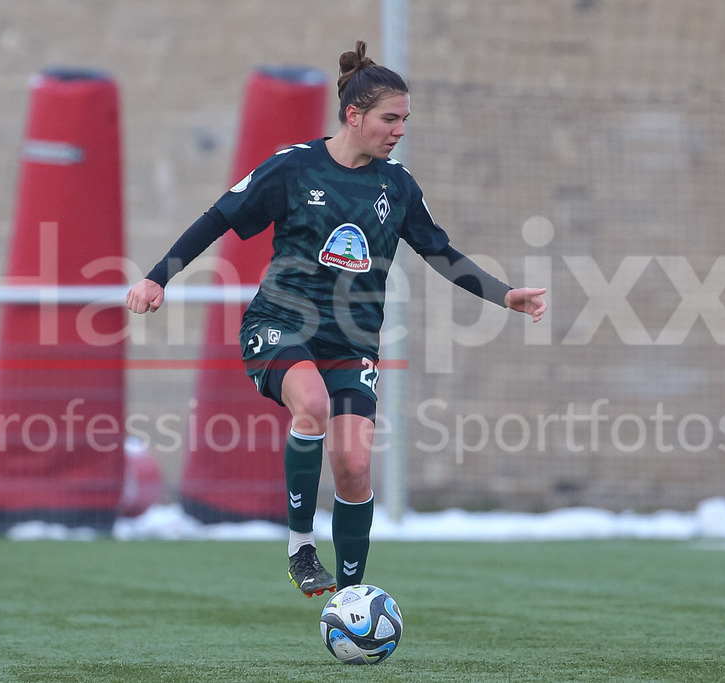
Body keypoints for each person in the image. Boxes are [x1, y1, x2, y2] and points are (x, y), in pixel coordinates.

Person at [127, 40, 546, 598]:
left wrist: (503, 294)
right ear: (354, 116)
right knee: (314, 406)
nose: (399, 130)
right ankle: (301, 545)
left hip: (352, 341)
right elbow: (219, 217)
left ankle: (350, 597)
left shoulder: (396, 186)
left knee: (353, 465)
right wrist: (159, 276)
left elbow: (440, 252)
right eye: (389, 119)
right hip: (280, 324)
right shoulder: (293, 167)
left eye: (405, 120)